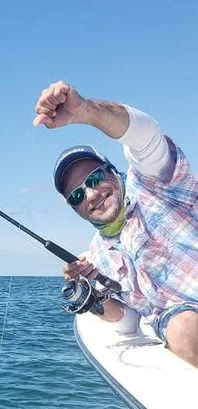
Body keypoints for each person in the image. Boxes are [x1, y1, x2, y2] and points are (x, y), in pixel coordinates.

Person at [33, 81, 198, 367]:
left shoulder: (154, 182)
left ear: (113, 170)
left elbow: (145, 135)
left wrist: (87, 111)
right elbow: (127, 319)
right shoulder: (94, 259)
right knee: (182, 332)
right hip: (182, 318)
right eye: (77, 195)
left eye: (95, 179)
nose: (92, 194)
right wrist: (90, 297)